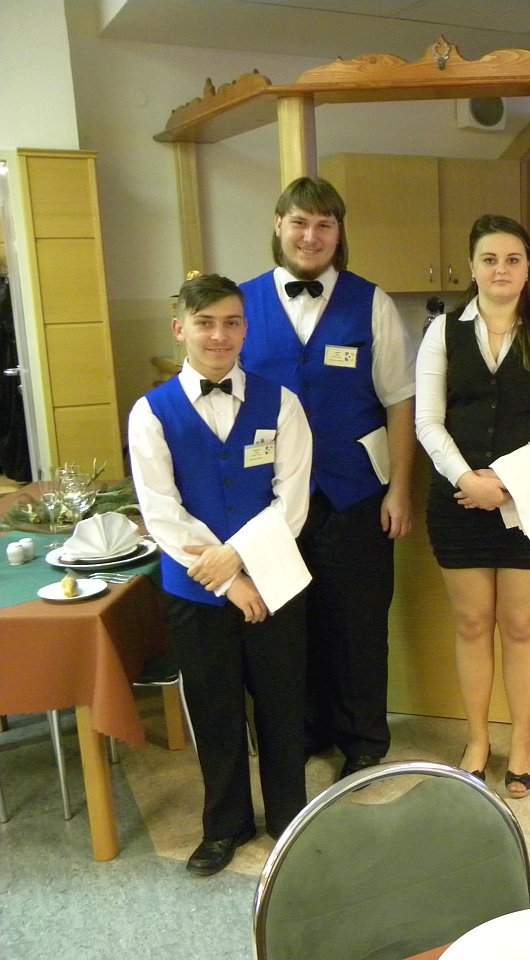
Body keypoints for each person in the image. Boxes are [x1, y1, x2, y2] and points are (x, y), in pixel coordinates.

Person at [129, 273, 312, 875]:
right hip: (197, 592)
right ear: (180, 329)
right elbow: (162, 513)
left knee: (283, 705)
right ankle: (225, 825)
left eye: (232, 322)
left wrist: (241, 560)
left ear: (245, 329)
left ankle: (289, 817)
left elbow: (292, 501)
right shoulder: (150, 413)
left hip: (275, 581)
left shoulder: (282, 403)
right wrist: (230, 580)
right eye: (205, 323)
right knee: (214, 711)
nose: (219, 335)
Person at [239, 178, 416, 782]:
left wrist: (399, 488)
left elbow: (399, 400)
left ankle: (363, 739)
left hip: (355, 492)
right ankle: (304, 730)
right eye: (299, 222)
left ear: (339, 234)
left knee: (358, 623)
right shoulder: (242, 305)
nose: (311, 236)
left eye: (324, 225)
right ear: (279, 226)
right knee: (288, 622)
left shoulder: (372, 303)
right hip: (269, 500)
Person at [416, 214, 530, 797]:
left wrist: (506, 479)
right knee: (471, 623)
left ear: (528, 268)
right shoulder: (442, 332)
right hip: (457, 501)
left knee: (521, 624)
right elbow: (427, 421)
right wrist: (468, 479)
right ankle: (478, 739)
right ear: (472, 267)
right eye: (490, 259)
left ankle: (524, 738)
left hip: (527, 500)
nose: (501, 270)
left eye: (513, 259)